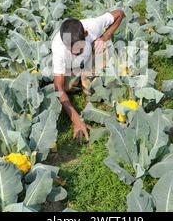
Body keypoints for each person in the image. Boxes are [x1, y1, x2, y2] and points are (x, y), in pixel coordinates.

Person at [52, 9, 125, 142]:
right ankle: (79, 81)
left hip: (91, 57)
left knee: (102, 49)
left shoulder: (93, 26)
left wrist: (105, 36)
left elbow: (120, 13)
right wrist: (77, 121)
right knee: (64, 88)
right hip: (71, 67)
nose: (75, 53)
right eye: (71, 51)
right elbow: (58, 87)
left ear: (85, 34)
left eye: (78, 49)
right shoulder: (58, 48)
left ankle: (89, 85)